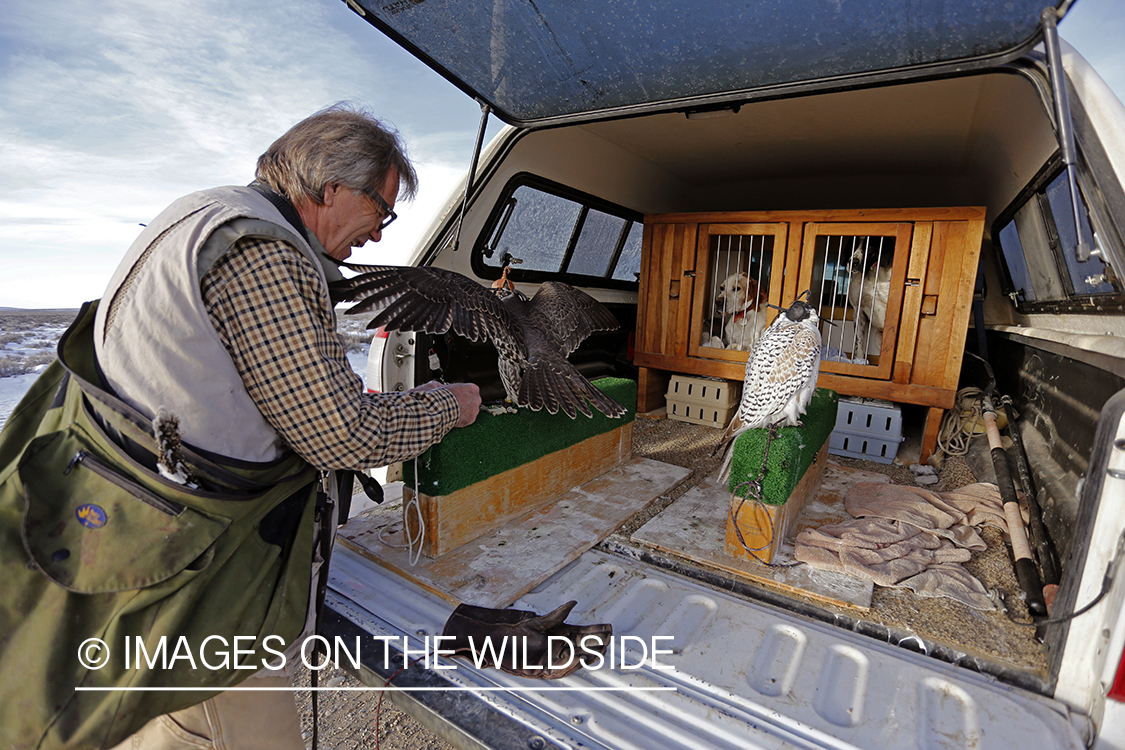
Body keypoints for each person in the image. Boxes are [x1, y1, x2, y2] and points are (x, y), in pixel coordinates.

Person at [99, 103, 481, 749]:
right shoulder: (260, 248)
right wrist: (450, 403)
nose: (380, 236)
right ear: (331, 187)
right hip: (210, 574)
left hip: (149, 536)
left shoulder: (197, 214)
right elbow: (343, 436)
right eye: (381, 212)